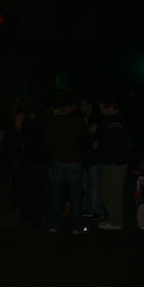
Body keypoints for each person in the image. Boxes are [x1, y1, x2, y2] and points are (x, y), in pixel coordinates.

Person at [44, 93, 93, 234]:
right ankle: (77, 226)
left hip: (58, 160)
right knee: (75, 195)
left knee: (56, 193)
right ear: (73, 106)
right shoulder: (79, 121)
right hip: (75, 160)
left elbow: (47, 142)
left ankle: (53, 224)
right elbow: (89, 139)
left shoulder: (54, 121)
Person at [97, 96, 130, 231]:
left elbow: (117, 144)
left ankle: (115, 221)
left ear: (110, 108)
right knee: (110, 192)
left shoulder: (115, 122)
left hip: (114, 164)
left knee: (112, 192)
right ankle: (113, 218)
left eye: (103, 109)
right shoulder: (116, 120)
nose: (102, 112)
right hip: (114, 162)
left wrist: (112, 159)